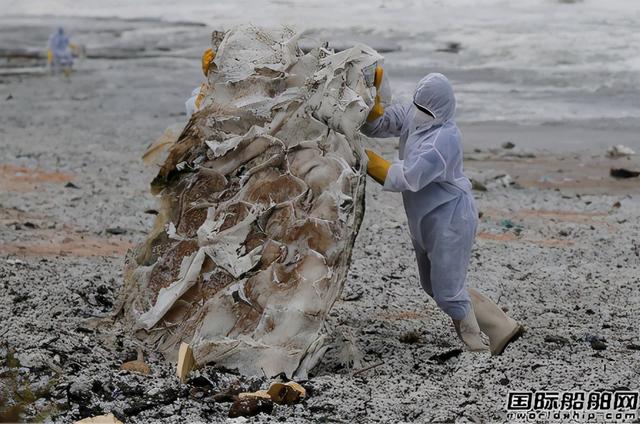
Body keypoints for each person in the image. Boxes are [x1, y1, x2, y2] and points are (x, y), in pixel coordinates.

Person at [361, 71, 523, 355]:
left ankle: (476, 348)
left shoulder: (443, 140)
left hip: (450, 219)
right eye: (418, 106)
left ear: (441, 110)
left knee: (448, 292)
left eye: (426, 110)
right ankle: (501, 324)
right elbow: (379, 125)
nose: (419, 114)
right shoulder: (415, 113)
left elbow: (408, 177)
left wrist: (364, 158)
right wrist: (374, 91)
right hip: (423, 218)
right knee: (434, 285)